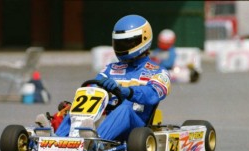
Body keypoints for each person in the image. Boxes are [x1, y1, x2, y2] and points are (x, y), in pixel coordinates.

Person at [55, 14, 171, 142]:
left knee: (124, 109)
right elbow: (93, 89)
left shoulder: (158, 71)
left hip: (135, 127)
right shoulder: (111, 68)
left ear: (143, 40)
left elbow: (153, 94)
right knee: (77, 109)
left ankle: (95, 142)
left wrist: (128, 91)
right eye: (119, 43)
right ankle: (57, 140)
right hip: (105, 118)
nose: (122, 47)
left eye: (127, 42)